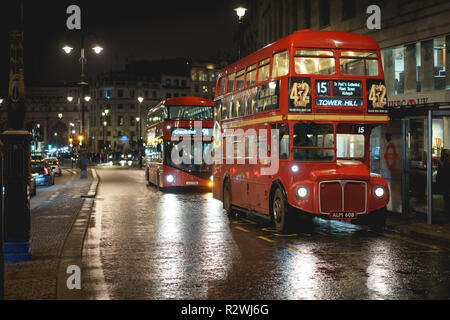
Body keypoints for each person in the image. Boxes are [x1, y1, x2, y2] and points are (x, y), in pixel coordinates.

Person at [436, 149, 450, 214]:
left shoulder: (445, 162)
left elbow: (445, 170)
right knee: (446, 196)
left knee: (446, 196)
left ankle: (446, 211)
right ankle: (446, 210)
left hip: (445, 181)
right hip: (443, 181)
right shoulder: (443, 161)